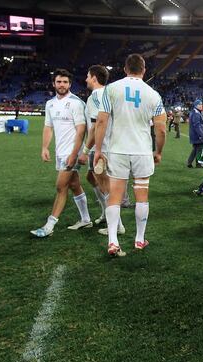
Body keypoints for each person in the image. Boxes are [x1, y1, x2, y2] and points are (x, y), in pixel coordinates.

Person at [93, 54, 167, 257]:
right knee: (141, 196)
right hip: (142, 151)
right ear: (144, 70)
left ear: (125, 69)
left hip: (117, 150)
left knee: (115, 196)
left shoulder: (112, 89)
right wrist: (158, 151)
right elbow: (161, 129)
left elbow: (101, 121)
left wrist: (98, 150)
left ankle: (113, 242)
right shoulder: (153, 95)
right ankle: (140, 239)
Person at [31, 69, 92, 237]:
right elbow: (48, 127)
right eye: (59, 82)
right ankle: (86, 219)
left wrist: (75, 153)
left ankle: (49, 226)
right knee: (73, 185)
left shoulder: (76, 103)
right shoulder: (50, 103)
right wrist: (44, 147)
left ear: (70, 84)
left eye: (65, 82)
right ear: (54, 84)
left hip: (71, 152)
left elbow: (81, 130)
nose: (62, 85)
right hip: (60, 151)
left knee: (60, 186)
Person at [83, 64, 125, 236]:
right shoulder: (110, 94)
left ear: (94, 78)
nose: (86, 79)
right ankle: (105, 213)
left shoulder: (95, 96)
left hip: (102, 147)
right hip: (111, 145)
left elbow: (95, 126)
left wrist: (85, 150)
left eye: (87, 76)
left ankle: (116, 225)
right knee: (91, 178)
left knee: (106, 187)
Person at [187, 99, 203, 168]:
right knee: (199, 149)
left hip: (194, 134)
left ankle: (189, 162)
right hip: (197, 135)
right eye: (200, 104)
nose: (201, 106)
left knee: (195, 149)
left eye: (201, 104)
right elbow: (197, 125)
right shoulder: (196, 113)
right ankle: (198, 164)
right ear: (196, 105)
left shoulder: (194, 112)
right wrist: (201, 135)